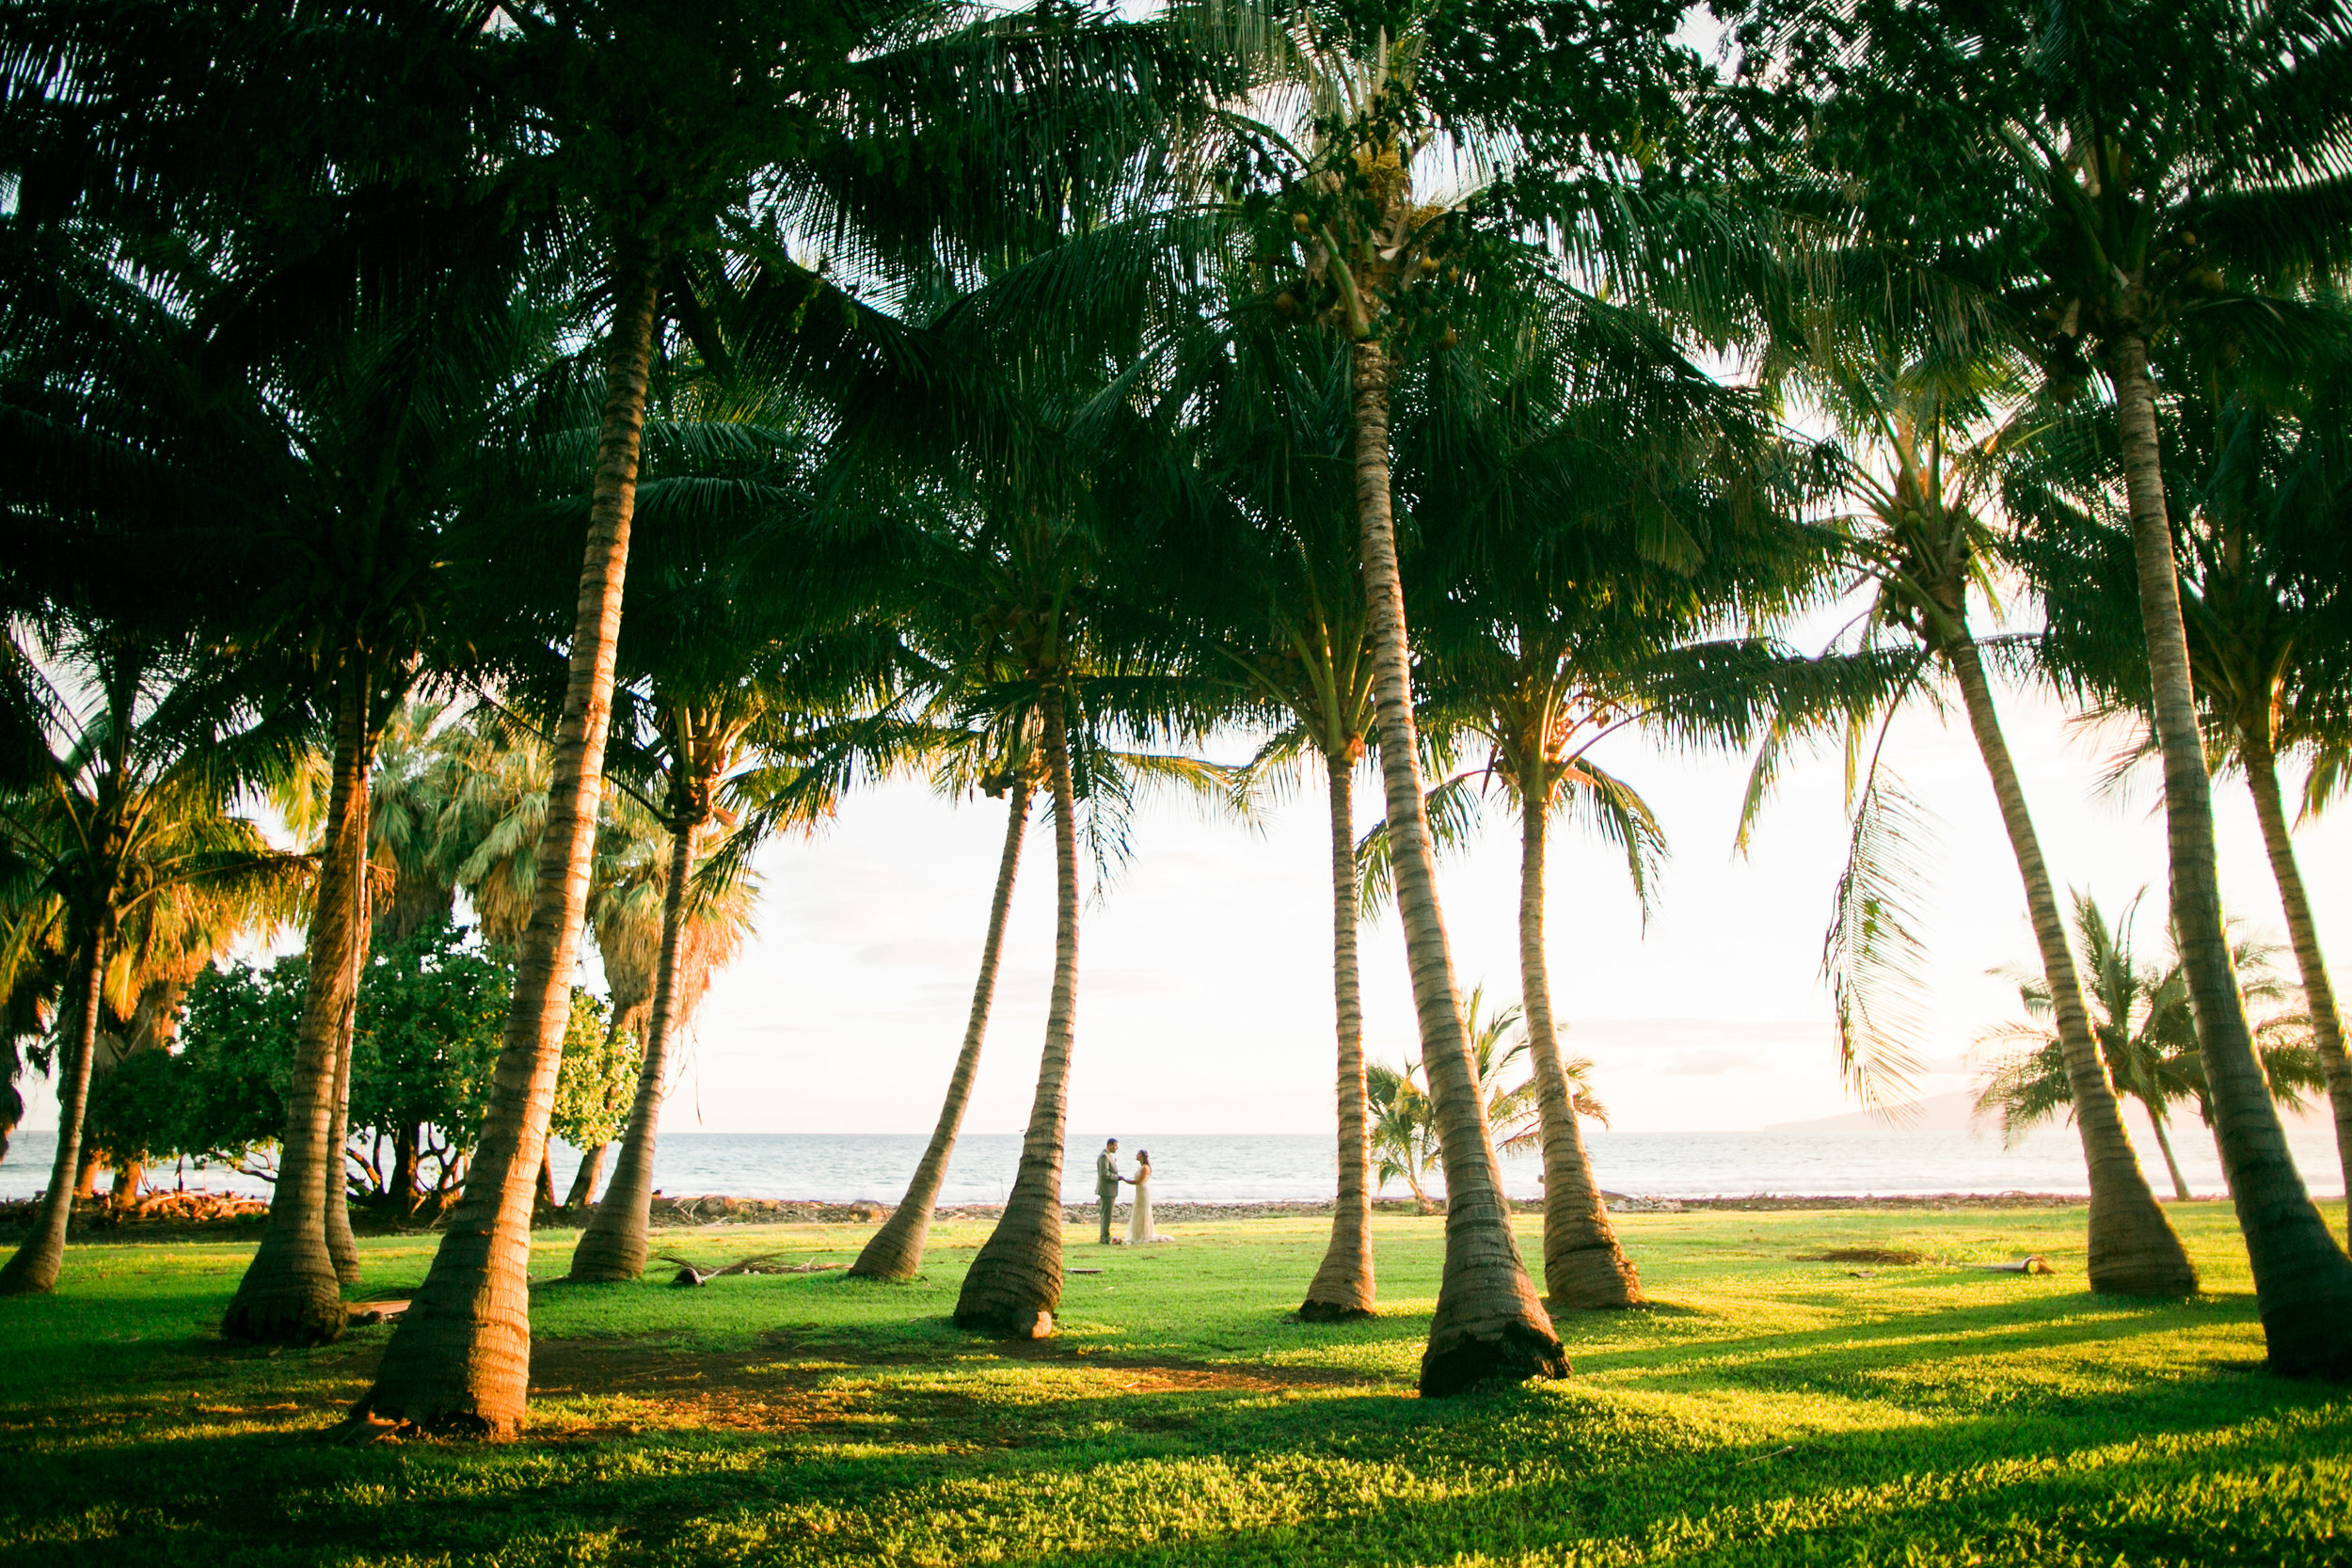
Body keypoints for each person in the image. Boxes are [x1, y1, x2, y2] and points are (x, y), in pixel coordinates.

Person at [1123, 1150, 1160, 1243]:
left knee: (1142, 1212)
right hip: (1139, 1191)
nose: (1137, 1155)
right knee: (1138, 1212)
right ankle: (1138, 1234)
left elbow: (1139, 1181)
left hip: (1143, 1192)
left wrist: (1124, 1180)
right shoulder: (1141, 1167)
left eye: (1139, 1154)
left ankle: (1143, 1234)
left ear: (1143, 1156)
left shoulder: (1145, 1168)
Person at [1096, 1138, 1122, 1245]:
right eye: (1115, 1146)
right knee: (1106, 1215)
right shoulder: (1104, 1156)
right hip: (1106, 1190)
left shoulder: (1109, 1156)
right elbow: (1104, 1173)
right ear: (1109, 1145)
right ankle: (1104, 1237)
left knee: (1107, 1215)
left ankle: (1105, 1236)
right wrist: (1117, 1177)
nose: (1117, 1148)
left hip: (1110, 1190)